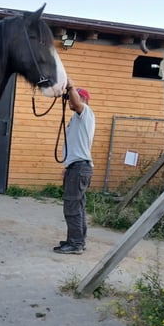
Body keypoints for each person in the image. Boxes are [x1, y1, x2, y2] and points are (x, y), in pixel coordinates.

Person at [54, 81, 95, 255]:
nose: (70, 100)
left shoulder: (84, 112)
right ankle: (77, 240)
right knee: (77, 206)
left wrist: (70, 86)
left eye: (73, 97)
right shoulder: (77, 119)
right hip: (76, 167)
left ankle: (76, 243)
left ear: (83, 99)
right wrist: (67, 166)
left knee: (71, 206)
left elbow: (77, 103)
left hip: (79, 168)